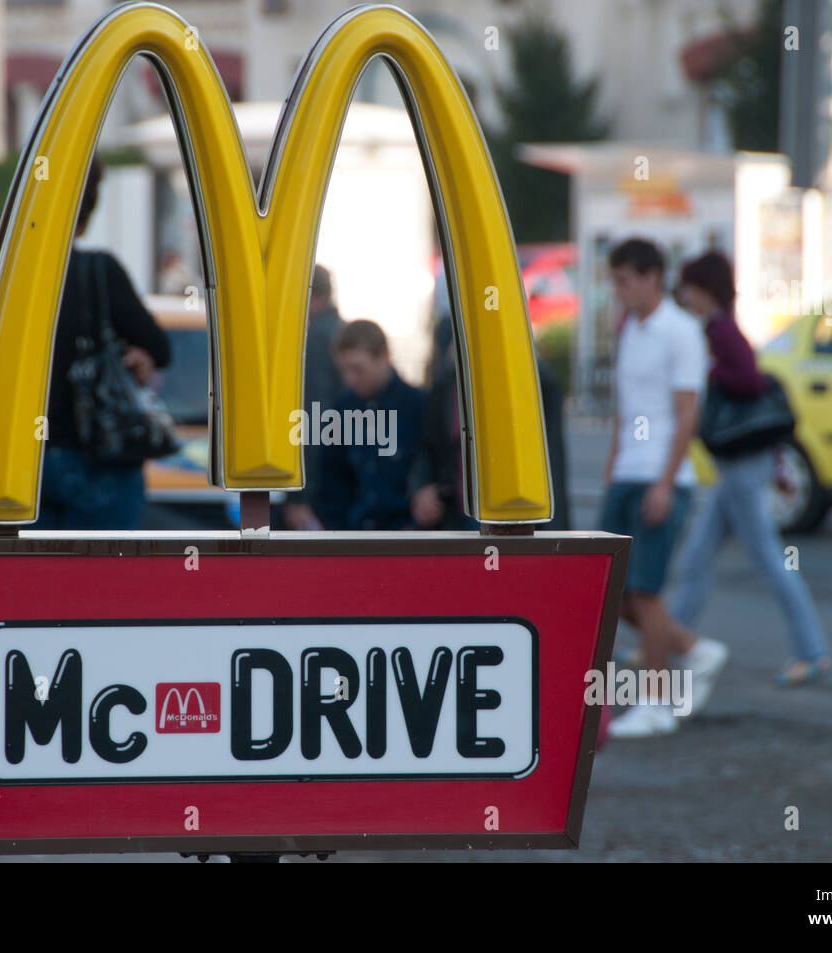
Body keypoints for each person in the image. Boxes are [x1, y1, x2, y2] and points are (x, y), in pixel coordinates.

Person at [669, 251, 832, 687]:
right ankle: (668, 640)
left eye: (688, 286)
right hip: (736, 468)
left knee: (768, 557)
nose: (683, 294)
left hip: (744, 467)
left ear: (703, 289)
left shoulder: (720, 332)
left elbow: (751, 382)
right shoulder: (715, 329)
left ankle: (812, 651)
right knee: (699, 557)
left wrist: (711, 369)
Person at [599, 238, 728, 739]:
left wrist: (665, 482)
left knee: (646, 591)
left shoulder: (682, 332)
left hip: (660, 475)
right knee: (609, 591)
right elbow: (624, 408)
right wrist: (614, 466)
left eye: (625, 280)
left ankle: (656, 703)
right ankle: (695, 649)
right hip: (627, 471)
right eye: (615, 280)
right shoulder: (630, 328)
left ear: (654, 277)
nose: (619, 289)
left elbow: (687, 413)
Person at [33, 156, 172, 531]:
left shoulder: (16, 276)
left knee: (33, 585)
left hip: (26, 464)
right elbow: (160, 349)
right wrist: (135, 354)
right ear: (90, 205)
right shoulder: (99, 271)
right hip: (99, 456)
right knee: (100, 583)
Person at [410, 316, 571, 531]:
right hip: (457, 515)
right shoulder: (447, 385)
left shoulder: (535, 381)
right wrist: (421, 490)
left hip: (515, 517)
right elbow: (428, 447)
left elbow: (550, 461)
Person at [312, 320, 425, 531]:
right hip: (352, 538)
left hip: (407, 538)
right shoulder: (341, 409)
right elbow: (332, 482)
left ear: (383, 356)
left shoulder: (419, 406)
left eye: (357, 369)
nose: (349, 379)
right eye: (343, 370)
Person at [284, 264, 345, 531]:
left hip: (321, 477)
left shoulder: (316, 338)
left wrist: (301, 495)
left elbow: (313, 415)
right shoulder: (341, 330)